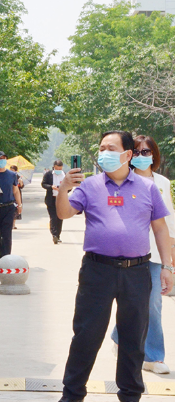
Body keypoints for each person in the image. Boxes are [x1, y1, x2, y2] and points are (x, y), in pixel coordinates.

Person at [56, 130, 174, 402]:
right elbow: (64, 213)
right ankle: (72, 394)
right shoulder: (90, 186)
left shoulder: (147, 188)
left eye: (111, 148)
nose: (104, 153)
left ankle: (131, 395)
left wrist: (168, 266)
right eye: (101, 148)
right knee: (86, 335)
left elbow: (160, 228)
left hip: (137, 271)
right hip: (98, 271)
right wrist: (64, 188)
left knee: (133, 338)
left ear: (128, 154)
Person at [109, 135, 175, 374]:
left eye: (146, 152)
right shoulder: (120, 181)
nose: (141, 156)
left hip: (156, 253)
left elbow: (169, 221)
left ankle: (154, 356)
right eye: (136, 152)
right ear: (128, 155)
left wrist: (171, 258)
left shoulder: (163, 183)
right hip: (128, 252)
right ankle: (119, 335)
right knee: (131, 302)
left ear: (154, 155)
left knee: (153, 303)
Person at [0, 151, 22, 257]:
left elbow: (16, 191)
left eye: (4, 158)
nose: (2, 161)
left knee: (7, 234)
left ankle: (6, 257)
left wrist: (19, 205)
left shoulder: (12, 175)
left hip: (9, 207)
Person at [41, 160, 64, 244]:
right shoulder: (48, 174)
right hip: (51, 199)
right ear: (54, 167)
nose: (59, 170)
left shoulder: (64, 175)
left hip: (61, 199)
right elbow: (43, 184)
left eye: (60, 168)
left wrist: (63, 189)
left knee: (60, 217)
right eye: (57, 168)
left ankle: (58, 235)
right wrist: (51, 187)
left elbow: (69, 187)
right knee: (53, 217)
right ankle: (54, 235)